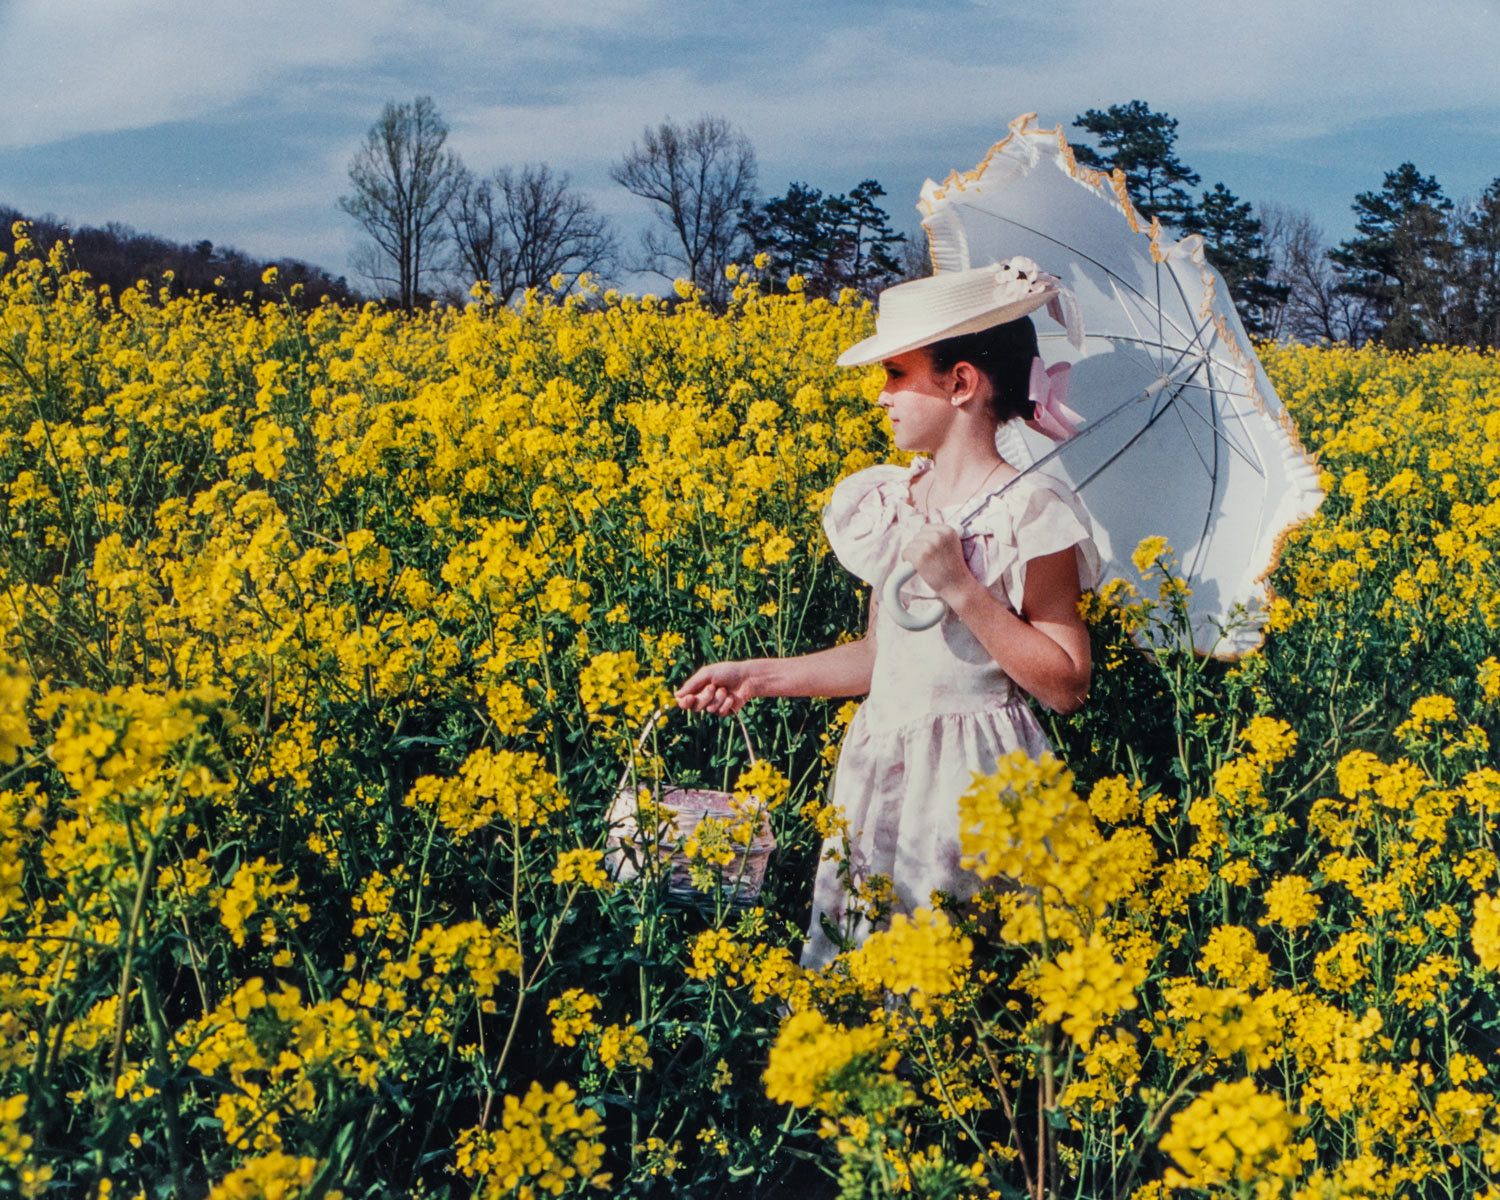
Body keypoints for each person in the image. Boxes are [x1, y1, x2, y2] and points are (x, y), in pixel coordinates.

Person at [674, 257, 1101, 968]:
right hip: (882, 765)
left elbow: (1066, 684)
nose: (881, 396)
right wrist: (757, 676)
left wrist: (962, 589)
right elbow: (880, 657)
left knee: (968, 979)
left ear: (961, 383)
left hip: (981, 780)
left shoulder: (1033, 511)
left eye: (897, 375)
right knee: (867, 969)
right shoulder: (896, 500)